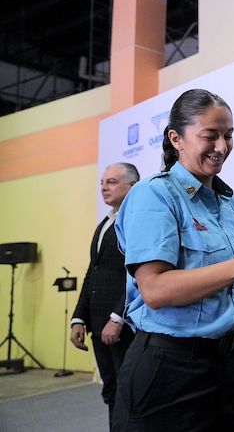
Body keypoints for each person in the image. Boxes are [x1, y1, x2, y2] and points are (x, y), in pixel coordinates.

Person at [111, 89, 234, 432]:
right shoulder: (154, 195)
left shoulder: (233, 206)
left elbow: (229, 283)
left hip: (230, 369)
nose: (222, 146)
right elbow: (156, 289)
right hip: (170, 370)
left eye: (228, 135)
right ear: (176, 138)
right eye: (210, 136)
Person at [70, 162, 139, 427]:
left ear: (132, 186)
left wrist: (117, 317)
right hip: (99, 325)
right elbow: (93, 272)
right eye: (102, 182)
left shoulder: (136, 221)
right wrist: (79, 318)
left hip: (123, 325)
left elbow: (136, 274)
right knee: (111, 391)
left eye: (111, 182)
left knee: (128, 392)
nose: (103, 187)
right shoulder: (105, 223)